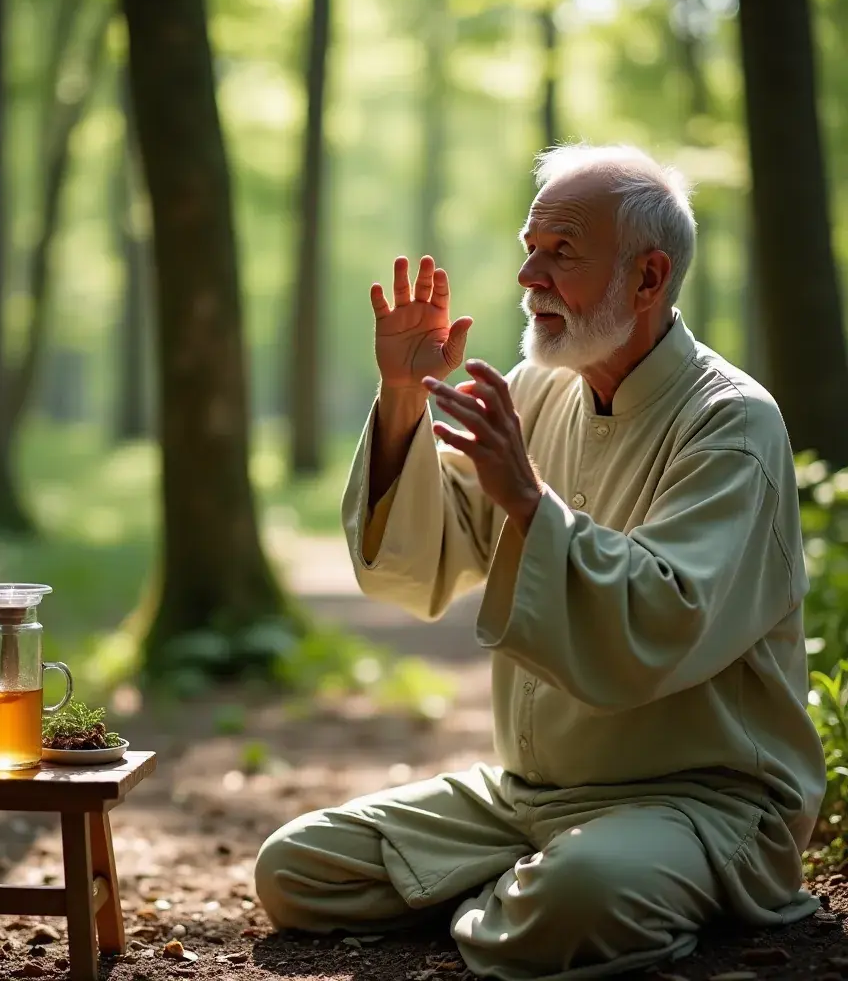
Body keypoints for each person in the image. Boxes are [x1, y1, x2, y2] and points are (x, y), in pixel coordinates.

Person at [253, 143, 828, 980]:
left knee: (581, 895)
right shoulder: (537, 387)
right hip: (529, 797)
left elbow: (668, 620)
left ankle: (534, 896)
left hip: (701, 800)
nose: (529, 275)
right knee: (296, 867)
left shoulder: (731, 422)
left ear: (647, 277)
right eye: (530, 248)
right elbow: (422, 564)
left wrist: (531, 501)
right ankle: (518, 897)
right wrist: (404, 395)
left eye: (561, 254)